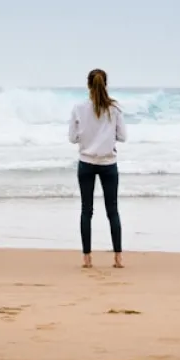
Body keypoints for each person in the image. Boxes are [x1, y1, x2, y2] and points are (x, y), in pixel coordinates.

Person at [68, 68, 128, 269]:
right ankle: (118, 258)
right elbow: (123, 136)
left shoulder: (78, 108)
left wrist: (87, 138)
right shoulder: (114, 108)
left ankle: (87, 258)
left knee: (87, 210)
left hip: (86, 163)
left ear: (88, 85)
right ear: (106, 84)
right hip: (108, 164)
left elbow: (72, 138)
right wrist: (106, 137)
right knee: (113, 211)